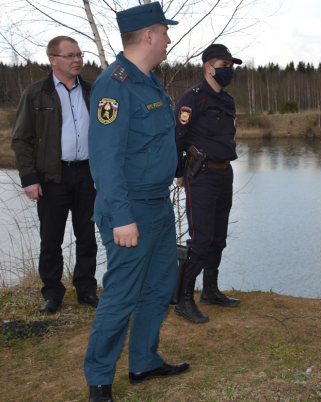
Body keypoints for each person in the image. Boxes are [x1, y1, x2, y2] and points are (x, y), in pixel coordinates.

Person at [84, 3, 189, 401]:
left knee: (160, 286)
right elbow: (105, 160)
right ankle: (98, 380)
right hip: (129, 208)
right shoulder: (115, 84)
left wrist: (175, 168)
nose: (168, 39)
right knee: (122, 293)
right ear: (148, 35)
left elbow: (152, 142)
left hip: (158, 204)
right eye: (165, 32)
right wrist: (122, 218)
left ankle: (144, 361)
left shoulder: (150, 81)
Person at [11, 36, 98, 314]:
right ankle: (52, 294)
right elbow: (21, 139)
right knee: (51, 239)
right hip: (52, 177)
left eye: (79, 55)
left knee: (87, 236)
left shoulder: (92, 92)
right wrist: (29, 178)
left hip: (86, 175)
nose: (77, 60)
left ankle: (86, 290)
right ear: (53, 60)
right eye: (70, 55)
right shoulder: (36, 94)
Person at [172, 44, 242, 323]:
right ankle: (184, 299)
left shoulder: (228, 101)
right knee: (200, 241)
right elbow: (179, 137)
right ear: (208, 67)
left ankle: (210, 291)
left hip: (224, 172)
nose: (228, 70)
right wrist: (180, 173)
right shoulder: (193, 98)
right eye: (224, 65)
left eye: (231, 66)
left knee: (218, 238)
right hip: (200, 175)